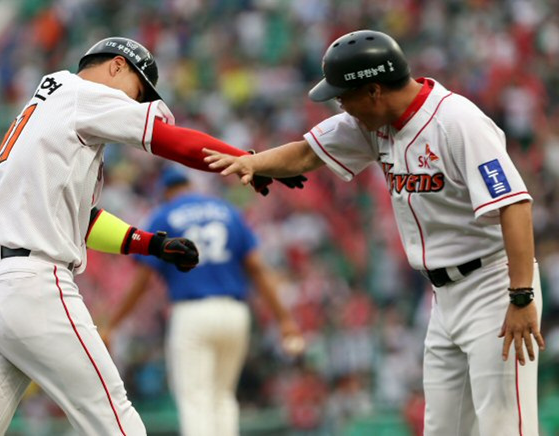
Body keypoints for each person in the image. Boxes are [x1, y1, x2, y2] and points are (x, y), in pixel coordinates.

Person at [0, 37, 305, 436]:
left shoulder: (51, 105)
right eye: (137, 94)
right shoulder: (82, 92)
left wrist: (150, 243)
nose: (135, 105)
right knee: (118, 424)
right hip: (28, 286)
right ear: (117, 66)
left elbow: (79, 219)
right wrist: (251, 159)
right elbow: (168, 140)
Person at [204, 29, 544, 436]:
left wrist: (521, 295)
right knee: (443, 428)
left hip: (493, 285)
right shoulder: (376, 123)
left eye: (344, 95)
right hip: (443, 296)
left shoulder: (459, 123)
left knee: (503, 424)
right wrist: (252, 163)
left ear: (374, 90)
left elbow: (514, 203)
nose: (340, 105)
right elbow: (307, 152)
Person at [103, 166, 305, 436]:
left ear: (165, 193)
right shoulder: (227, 211)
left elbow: (142, 281)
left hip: (192, 314)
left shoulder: (164, 214)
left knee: (196, 400)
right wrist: (285, 319)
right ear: (191, 187)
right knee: (223, 397)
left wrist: (113, 324)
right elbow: (256, 267)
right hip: (235, 312)